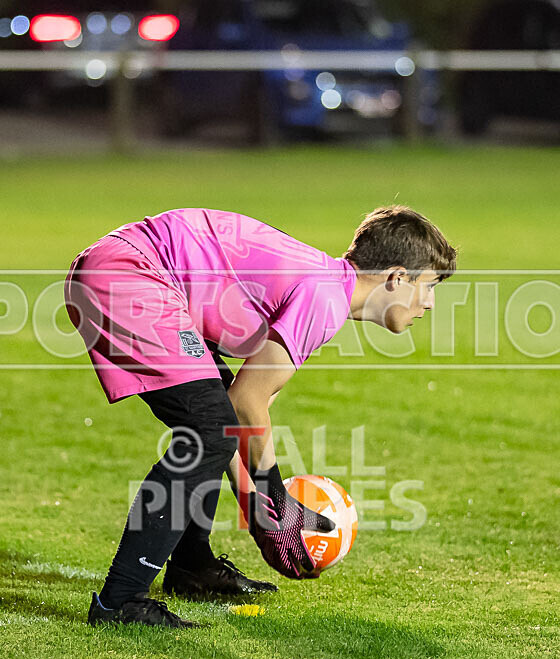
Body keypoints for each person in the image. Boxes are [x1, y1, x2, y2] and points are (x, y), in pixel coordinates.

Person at [64, 205, 456, 628]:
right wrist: (277, 503)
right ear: (397, 278)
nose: (430, 303)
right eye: (429, 285)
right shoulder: (325, 298)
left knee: (213, 427)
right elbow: (245, 407)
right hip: (132, 274)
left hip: (129, 268)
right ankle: (120, 601)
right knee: (209, 431)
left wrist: (260, 508)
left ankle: (192, 567)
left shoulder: (325, 285)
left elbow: (239, 411)